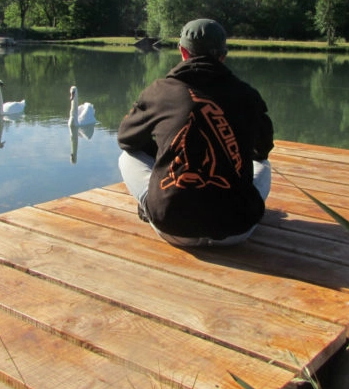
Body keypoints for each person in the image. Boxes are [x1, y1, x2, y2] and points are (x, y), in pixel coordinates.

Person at [117, 18, 274, 247]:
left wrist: (160, 151)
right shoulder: (246, 94)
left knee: (126, 158)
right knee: (264, 165)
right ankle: (239, 203)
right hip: (236, 230)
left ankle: (149, 205)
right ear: (223, 55)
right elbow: (262, 150)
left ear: (182, 51)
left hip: (171, 227)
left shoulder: (160, 91)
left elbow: (126, 139)